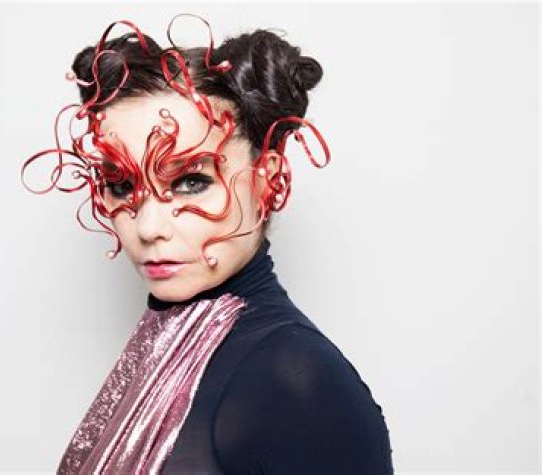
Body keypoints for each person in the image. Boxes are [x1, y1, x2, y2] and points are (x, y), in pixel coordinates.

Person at [22, 13, 394, 474]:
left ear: (268, 180)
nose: (148, 227)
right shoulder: (163, 344)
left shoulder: (293, 377)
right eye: (121, 185)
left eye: (191, 181)